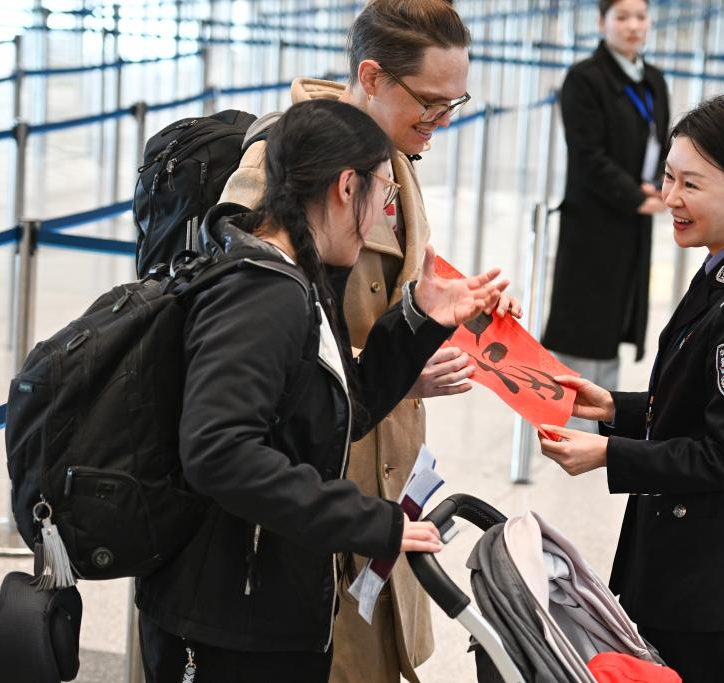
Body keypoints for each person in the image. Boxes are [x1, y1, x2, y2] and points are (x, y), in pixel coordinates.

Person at [135, 99, 511, 682]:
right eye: (384, 195)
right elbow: (218, 452)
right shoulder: (262, 293)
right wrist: (366, 521)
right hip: (226, 623)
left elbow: (333, 414)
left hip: (264, 599)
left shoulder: (300, 276)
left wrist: (419, 319)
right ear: (344, 187)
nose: (385, 212)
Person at [218, 2, 520, 679]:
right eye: (431, 104)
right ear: (373, 76)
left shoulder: (391, 151)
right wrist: (388, 370)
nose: (442, 122)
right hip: (319, 472)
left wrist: (457, 304)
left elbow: (392, 281)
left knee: (378, 651)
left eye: (455, 103)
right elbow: (248, 323)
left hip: (385, 450)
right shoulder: (286, 157)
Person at [539, 94, 724, 683]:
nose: (672, 199)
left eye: (692, 184)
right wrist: (615, 408)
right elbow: (699, 404)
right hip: (684, 564)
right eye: (668, 178)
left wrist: (609, 453)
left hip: (709, 585)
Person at [542, 0, 671, 406]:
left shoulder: (653, 79)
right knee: (583, 320)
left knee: (617, 315)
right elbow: (587, 154)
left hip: (635, 217)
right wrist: (635, 196)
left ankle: (602, 411)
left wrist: (660, 188)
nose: (633, 26)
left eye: (640, 17)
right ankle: (563, 410)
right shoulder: (584, 78)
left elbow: (660, 143)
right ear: (602, 23)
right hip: (594, 219)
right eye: (622, 17)